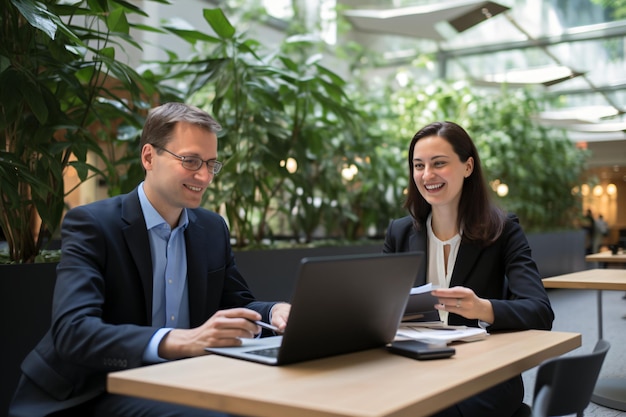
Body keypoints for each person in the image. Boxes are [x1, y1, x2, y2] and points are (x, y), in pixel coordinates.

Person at [9, 102, 291, 417]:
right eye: (190, 160)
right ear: (148, 157)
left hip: (180, 381)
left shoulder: (212, 229)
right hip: (92, 389)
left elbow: (235, 305)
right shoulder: (93, 224)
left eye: (211, 163)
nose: (204, 175)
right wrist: (180, 341)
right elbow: (74, 332)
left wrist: (275, 312)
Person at [383, 121, 554, 417]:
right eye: (418, 165)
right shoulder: (399, 233)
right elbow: (379, 308)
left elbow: (540, 311)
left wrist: (482, 308)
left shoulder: (503, 229)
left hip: (484, 374)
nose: (427, 175)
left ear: (468, 166)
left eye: (439, 164)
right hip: (412, 366)